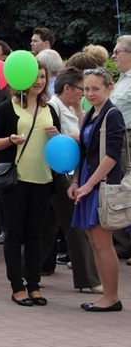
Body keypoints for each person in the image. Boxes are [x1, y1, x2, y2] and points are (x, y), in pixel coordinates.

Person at [0, 62, 60, 307]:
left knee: (35, 235)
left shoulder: (49, 108)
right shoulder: (7, 109)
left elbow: (58, 146)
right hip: (15, 180)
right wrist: (10, 139)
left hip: (44, 179)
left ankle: (34, 285)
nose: (39, 81)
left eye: (43, 77)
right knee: (15, 233)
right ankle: (17, 286)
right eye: (35, 77)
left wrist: (57, 137)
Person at [68, 68, 125, 312]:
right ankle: (107, 294)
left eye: (95, 89)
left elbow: (112, 155)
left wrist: (89, 184)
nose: (90, 93)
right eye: (87, 89)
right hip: (89, 183)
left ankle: (111, 297)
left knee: (103, 242)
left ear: (109, 89)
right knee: (94, 241)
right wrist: (75, 182)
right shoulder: (92, 113)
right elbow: (85, 151)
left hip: (102, 185)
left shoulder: (112, 114)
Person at [43, 67, 102, 293]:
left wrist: (79, 109)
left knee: (49, 224)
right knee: (74, 225)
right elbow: (74, 137)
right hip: (59, 174)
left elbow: (85, 130)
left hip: (67, 172)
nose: (84, 94)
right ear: (67, 88)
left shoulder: (69, 107)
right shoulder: (52, 108)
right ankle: (89, 279)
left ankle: (34, 266)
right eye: (82, 89)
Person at [108, 36, 131, 261]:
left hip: (128, 139)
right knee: (120, 187)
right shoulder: (122, 79)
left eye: (117, 51)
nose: (113, 55)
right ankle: (122, 242)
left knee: (126, 188)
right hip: (117, 138)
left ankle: (125, 244)